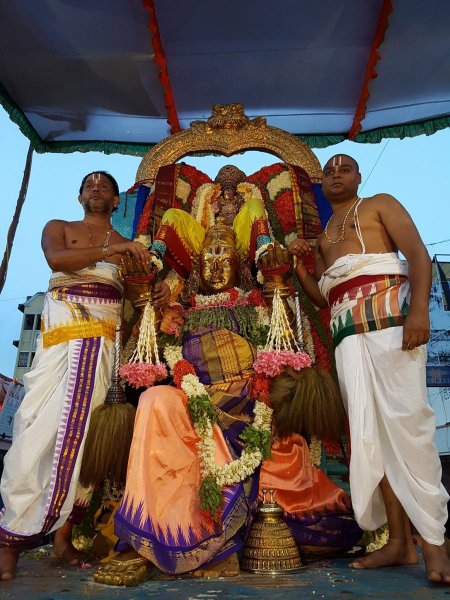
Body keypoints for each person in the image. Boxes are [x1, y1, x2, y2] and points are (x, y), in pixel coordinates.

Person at [93, 192, 361, 586]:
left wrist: (277, 282)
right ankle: (153, 534)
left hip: (249, 404)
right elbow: (145, 356)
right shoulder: (179, 308)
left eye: (225, 255)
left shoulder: (256, 303)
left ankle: (216, 528)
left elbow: (287, 349)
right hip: (193, 405)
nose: (217, 264)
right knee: (153, 399)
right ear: (197, 268)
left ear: (241, 264)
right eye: (209, 258)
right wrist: (145, 297)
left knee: (285, 447)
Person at [289, 153, 450, 584]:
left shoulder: (380, 203)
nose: (336, 174)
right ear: (322, 183)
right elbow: (324, 298)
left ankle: (434, 543)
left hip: (392, 326)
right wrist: (298, 266)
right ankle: (397, 543)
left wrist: (419, 312)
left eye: (345, 168)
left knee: (407, 429)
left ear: (358, 177)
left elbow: (416, 254)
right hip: (348, 339)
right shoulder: (325, 237)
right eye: (329, 171)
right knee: (369, 437)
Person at [0, 171, 169, 581]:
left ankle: (64, 539)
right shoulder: (60, 229)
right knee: (37, 435)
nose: (96, 188)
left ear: (116, 202)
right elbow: (57, 261)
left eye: (105, 186)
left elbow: (138, 292)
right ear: (79, 196)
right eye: (89, 184)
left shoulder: (129, 249)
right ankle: (9, 544)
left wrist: (159, 291)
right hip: (62, 344)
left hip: (103, 351)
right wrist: (115, 250)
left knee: (87, 444)